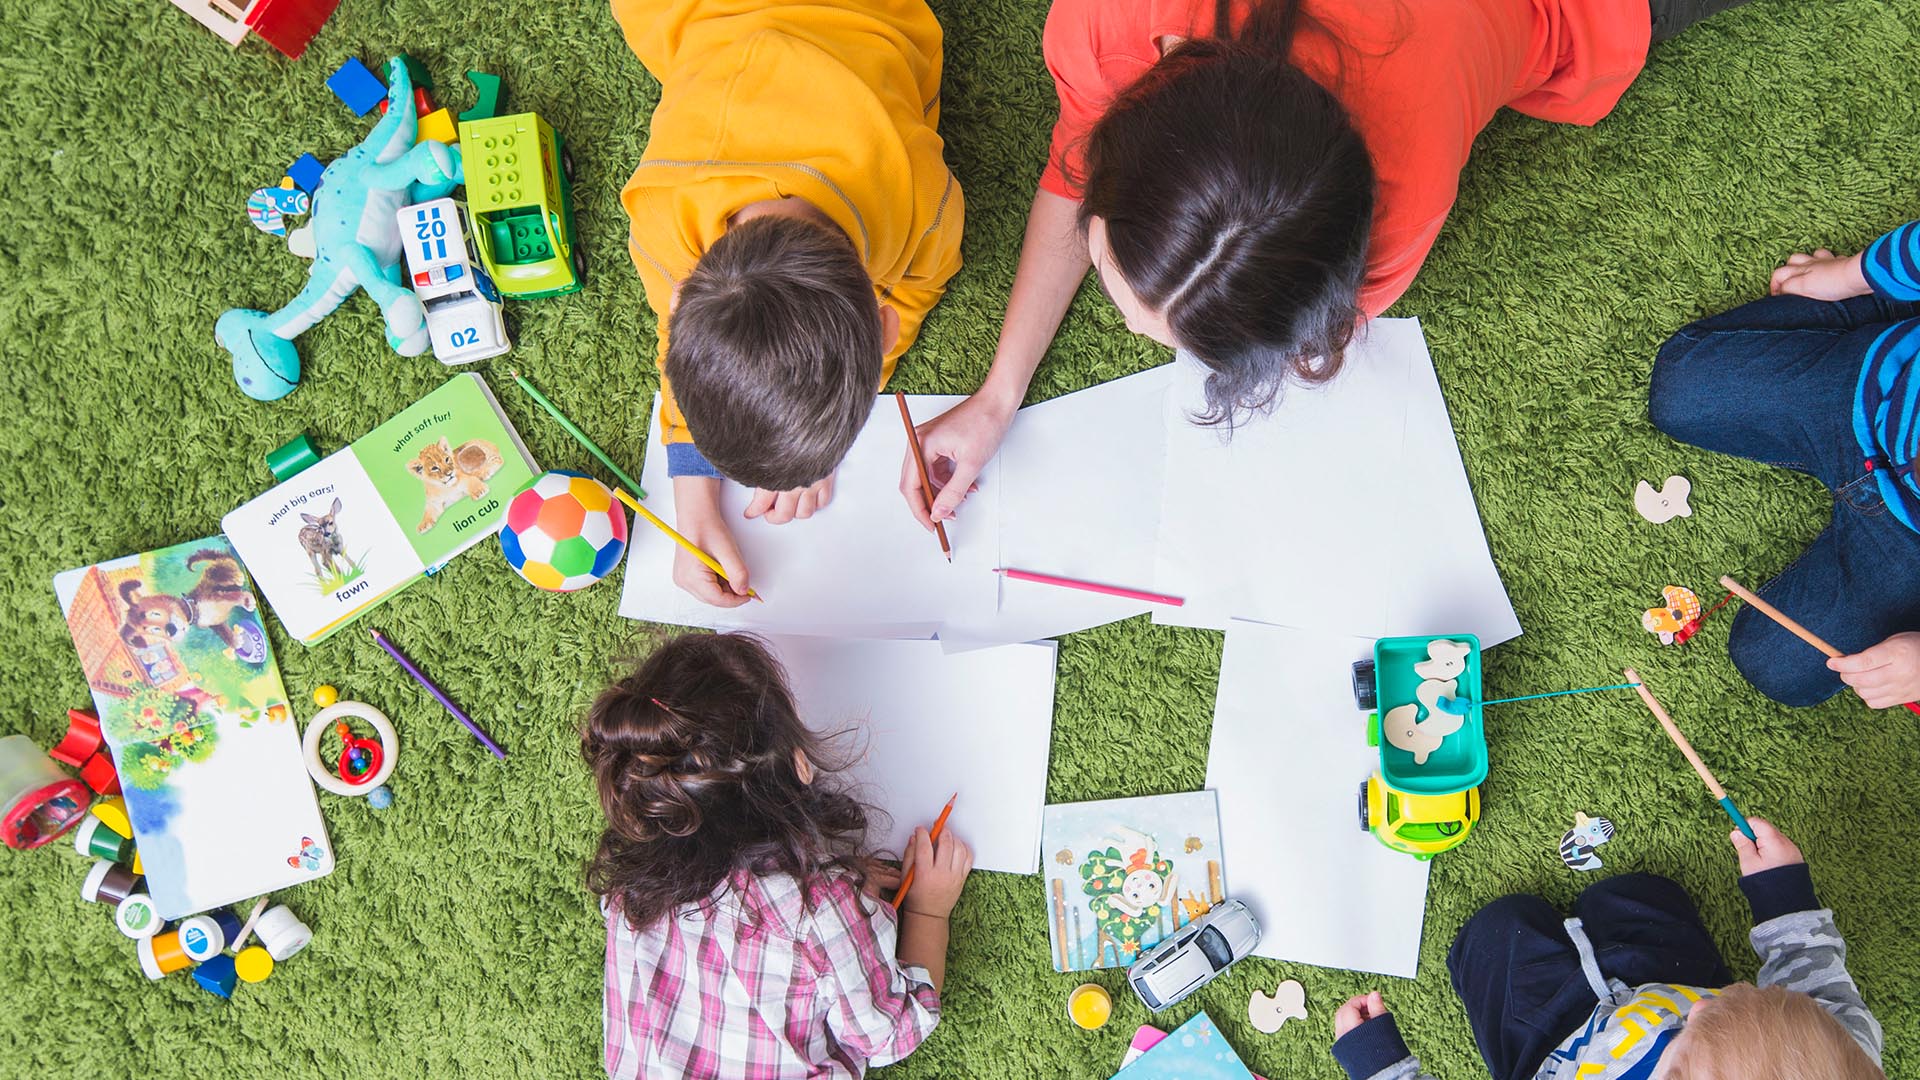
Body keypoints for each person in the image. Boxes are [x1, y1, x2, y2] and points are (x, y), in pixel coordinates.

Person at [901, 0, 1752, 531]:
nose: (1130, 329)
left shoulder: (1401, 192)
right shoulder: (1107, 20)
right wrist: (996, 395)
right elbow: (1072, 166)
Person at [613, 0, 965, 607]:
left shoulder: (925, 201)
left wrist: (826, 409)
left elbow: (917, 288)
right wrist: (693, 493)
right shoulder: (661, 213)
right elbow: (683, 337)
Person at [584, 633, 973, 1079]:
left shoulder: (630, 884)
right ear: (800, 763)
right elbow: (891, 1034)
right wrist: (928, 910)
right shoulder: (816, 909)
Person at [1326, 818, 1883, 1080]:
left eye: (1688, 1038)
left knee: (1495, 932)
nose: (1706, 1006)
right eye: (1740, 999)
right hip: (1664, 976)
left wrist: (1380, 1066)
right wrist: (1781, 894)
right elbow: (1816, 978)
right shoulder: (1838, 1055)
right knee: (1638, 895)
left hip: (1547, 1048)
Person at [1650, 225, 1920, 708]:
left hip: (1908, 548)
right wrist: (1846, 277)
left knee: (1777, 663)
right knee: (1681, 388)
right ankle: (1888, 302)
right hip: (1871, 386)